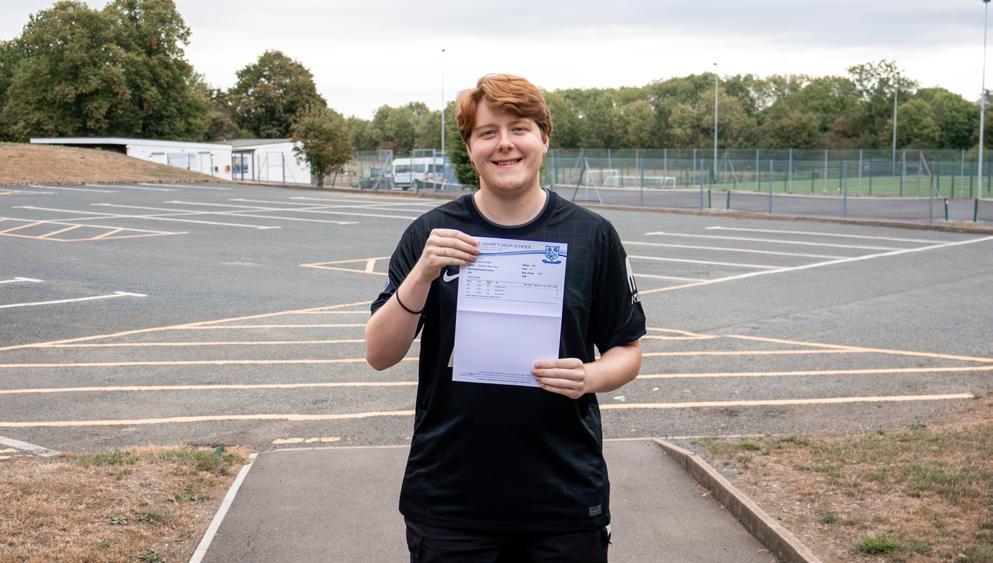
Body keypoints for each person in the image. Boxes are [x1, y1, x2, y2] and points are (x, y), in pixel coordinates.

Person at [365, 73, 646, 563]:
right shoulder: (431, 233)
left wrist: (588, 376)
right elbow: (379, 354)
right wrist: (422, 275)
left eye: (519, 128)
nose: (504, 144)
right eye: (487, 132)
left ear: (544, 137)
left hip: (563, 497)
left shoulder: (592, 236)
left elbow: (627, 350)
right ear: (470, 147)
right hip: (451, 499)